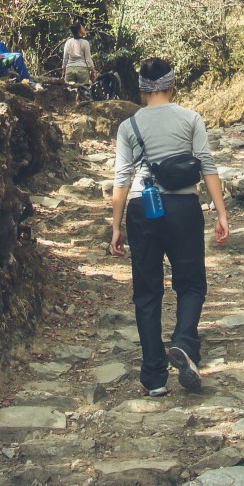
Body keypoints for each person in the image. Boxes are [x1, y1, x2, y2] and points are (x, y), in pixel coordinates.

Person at [109, 57, 230, 397]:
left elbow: (121, 179)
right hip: (182, 208)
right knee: (190, 284)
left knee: (147, 293)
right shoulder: (191, 119)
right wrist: (221, 213)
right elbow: (207, 166)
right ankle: (184, 344)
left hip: (140, 208)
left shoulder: (128, 126)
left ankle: (154, 379)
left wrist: (115, 226)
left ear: (142, 89)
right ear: (171, 85)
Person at [61, 21, 96, 87]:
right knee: (83, 92)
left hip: (69, 69)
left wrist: (64, 69)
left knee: (69, 92)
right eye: (82, 27)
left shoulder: (68, 42)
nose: (84, 28)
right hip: (82, 70)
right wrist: (93, 70)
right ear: (79, 30)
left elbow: (65, 58)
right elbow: (88, 59)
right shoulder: (85, 43)